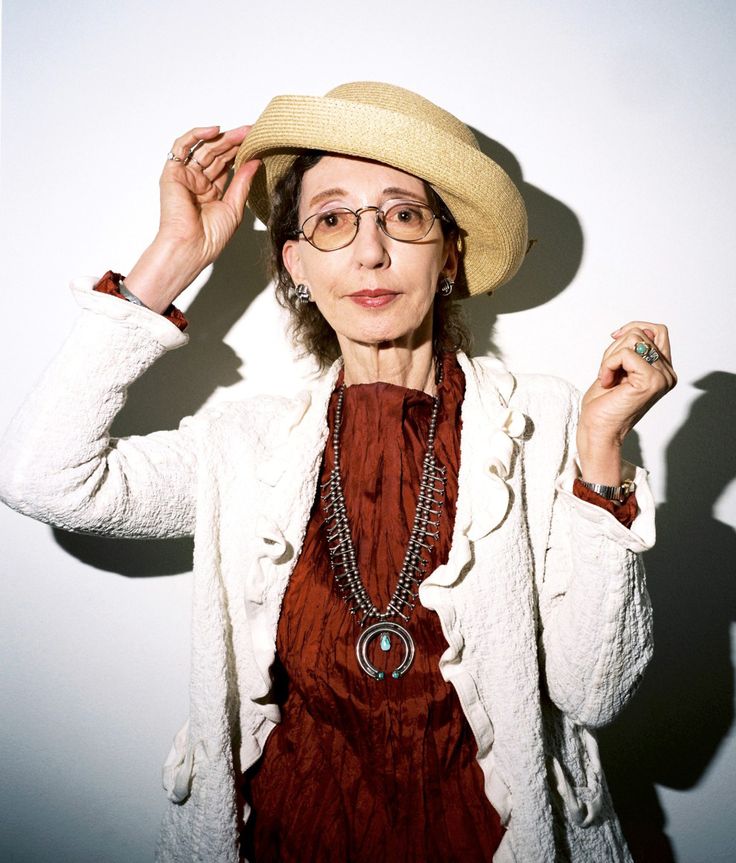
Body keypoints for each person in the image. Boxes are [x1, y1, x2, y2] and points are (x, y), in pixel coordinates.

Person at [0, 82, 676, 862]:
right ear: (295, 265)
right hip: (292, 835)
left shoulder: (552, 422)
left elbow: (597, 691)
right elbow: (41, 474)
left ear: (449, 252)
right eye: (330, 219)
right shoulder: (248, 445)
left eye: (404, 215)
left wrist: (602, 450)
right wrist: (172, 259)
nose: (369, 250)